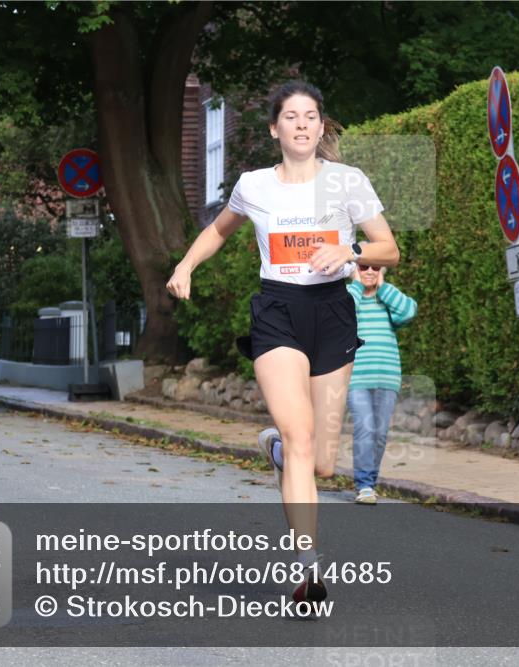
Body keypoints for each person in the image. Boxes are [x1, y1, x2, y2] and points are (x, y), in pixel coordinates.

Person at [166, 81, 399, 603]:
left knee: (320, 463)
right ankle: (307, 570)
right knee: (300, 439)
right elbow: (220, 230)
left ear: (320, 127)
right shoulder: (254, 185)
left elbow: (390, 249)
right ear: (275, 129)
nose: (300, 124)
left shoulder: (347, 182)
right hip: (277, 313)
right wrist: (185, 264)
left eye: (310, 116)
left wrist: (349, 250)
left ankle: (274, 449)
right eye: (290, 116)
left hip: (333, 313)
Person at [346, 264, 417, 505]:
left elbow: (408, 311)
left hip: (387, 378)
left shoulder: (387, 298)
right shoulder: (349, 297)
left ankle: (370, 482)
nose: (369, 271)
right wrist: (355, 283)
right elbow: (345, 312)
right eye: (363, 266)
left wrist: (383, 286)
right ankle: (364, 484)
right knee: (365, 429)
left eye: (375, 267)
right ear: (354, 269)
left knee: (379, 434)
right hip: (357, 378)